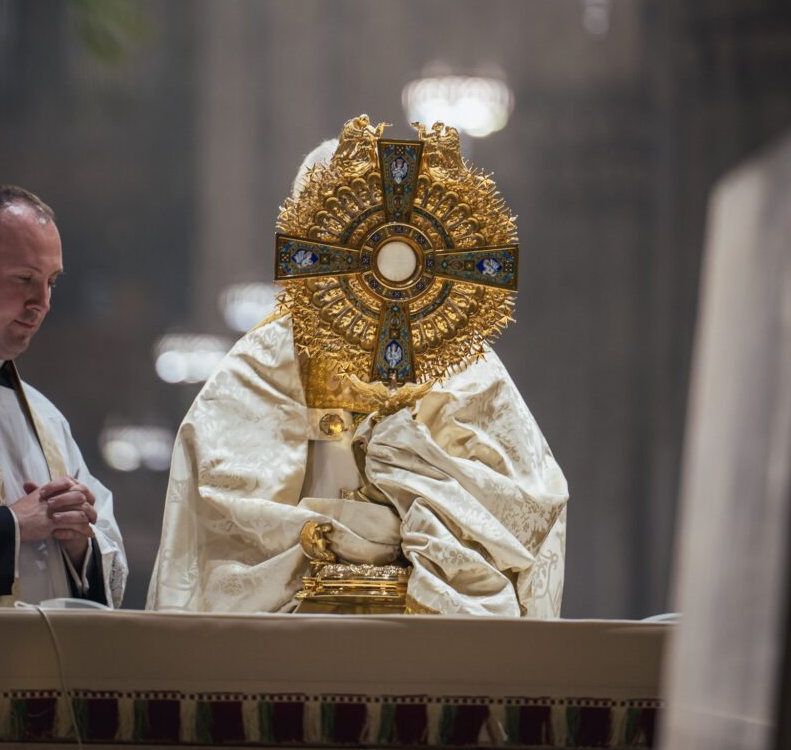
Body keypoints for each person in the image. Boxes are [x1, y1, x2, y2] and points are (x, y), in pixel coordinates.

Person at [148, 130, 568, 617]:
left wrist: (421, 482)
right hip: (297, 637)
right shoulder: (265, 359)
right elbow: (222, 515)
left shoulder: (463, 363)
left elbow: (527, 504)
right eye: (339, 236)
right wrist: (337, 531)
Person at [0, 185, 127, 606]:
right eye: (25, 279)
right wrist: (12, 526)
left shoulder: (45, 418)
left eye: (51, 282)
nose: (43, 302)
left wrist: (78, 541)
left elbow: (107, 550)